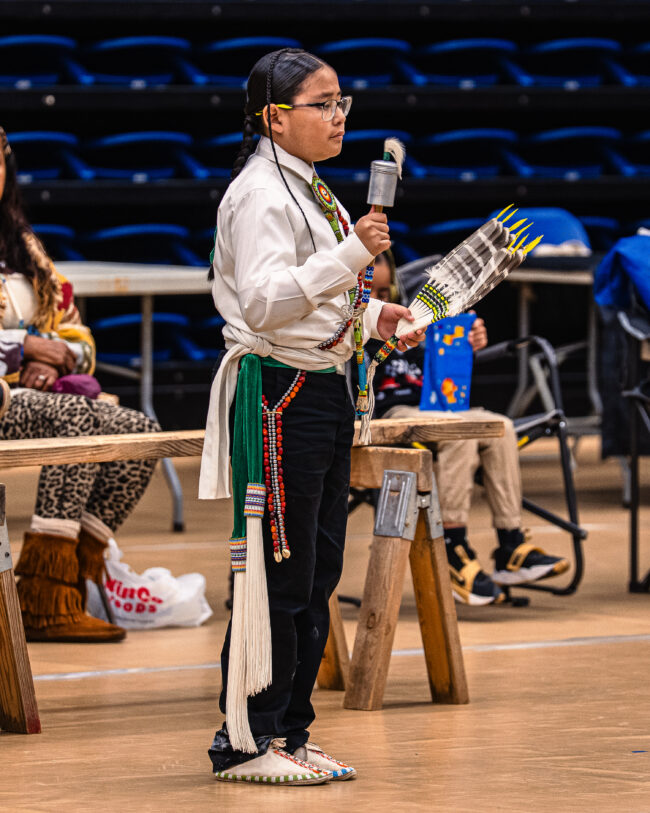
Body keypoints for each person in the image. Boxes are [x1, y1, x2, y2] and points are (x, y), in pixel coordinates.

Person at [199, 49, 425, 785]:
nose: (337, 118)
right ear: (274, 117)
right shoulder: (260, 193)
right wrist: (355, 252)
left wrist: (377, 317)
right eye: (321, 104)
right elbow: (266, 303)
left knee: (319, 566)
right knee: (279, 568)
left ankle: (289, 735)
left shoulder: (312, 189)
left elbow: (321, 301)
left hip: (321, 385)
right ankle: (246, 737)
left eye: (341, 103)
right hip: (279, 392)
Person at [0, 125, 161, 642]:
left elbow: (79, 337)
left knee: (140, 433)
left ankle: (64, 578)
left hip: (37, 393)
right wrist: (22, 348)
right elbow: (33, 340)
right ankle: (45, 601)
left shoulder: (24, 246)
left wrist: (59, 357)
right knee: (74, 421)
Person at [369, 250, 569, 606]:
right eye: (375, 295)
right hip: (387, 415)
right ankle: (453, 546)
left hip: (431, 408)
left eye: (388, 295)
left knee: (499, 426)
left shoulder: (412, 319)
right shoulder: (349, 323)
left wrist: (464, 342)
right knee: (457, 431)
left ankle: (511, 545)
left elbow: (446, 365)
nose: (383, 302)